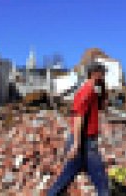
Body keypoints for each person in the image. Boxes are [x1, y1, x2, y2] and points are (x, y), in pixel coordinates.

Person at [46, 61, 110, 195]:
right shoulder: (87, 92)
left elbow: (103, 106)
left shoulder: (93, 91)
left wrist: (103, 88)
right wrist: (76, 144)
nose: (104, 77)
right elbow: (78, 117)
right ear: (95, 74)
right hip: (83, 143)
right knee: (99, 182)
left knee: (69, 179)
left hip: (87, 143)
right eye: (103, 74)